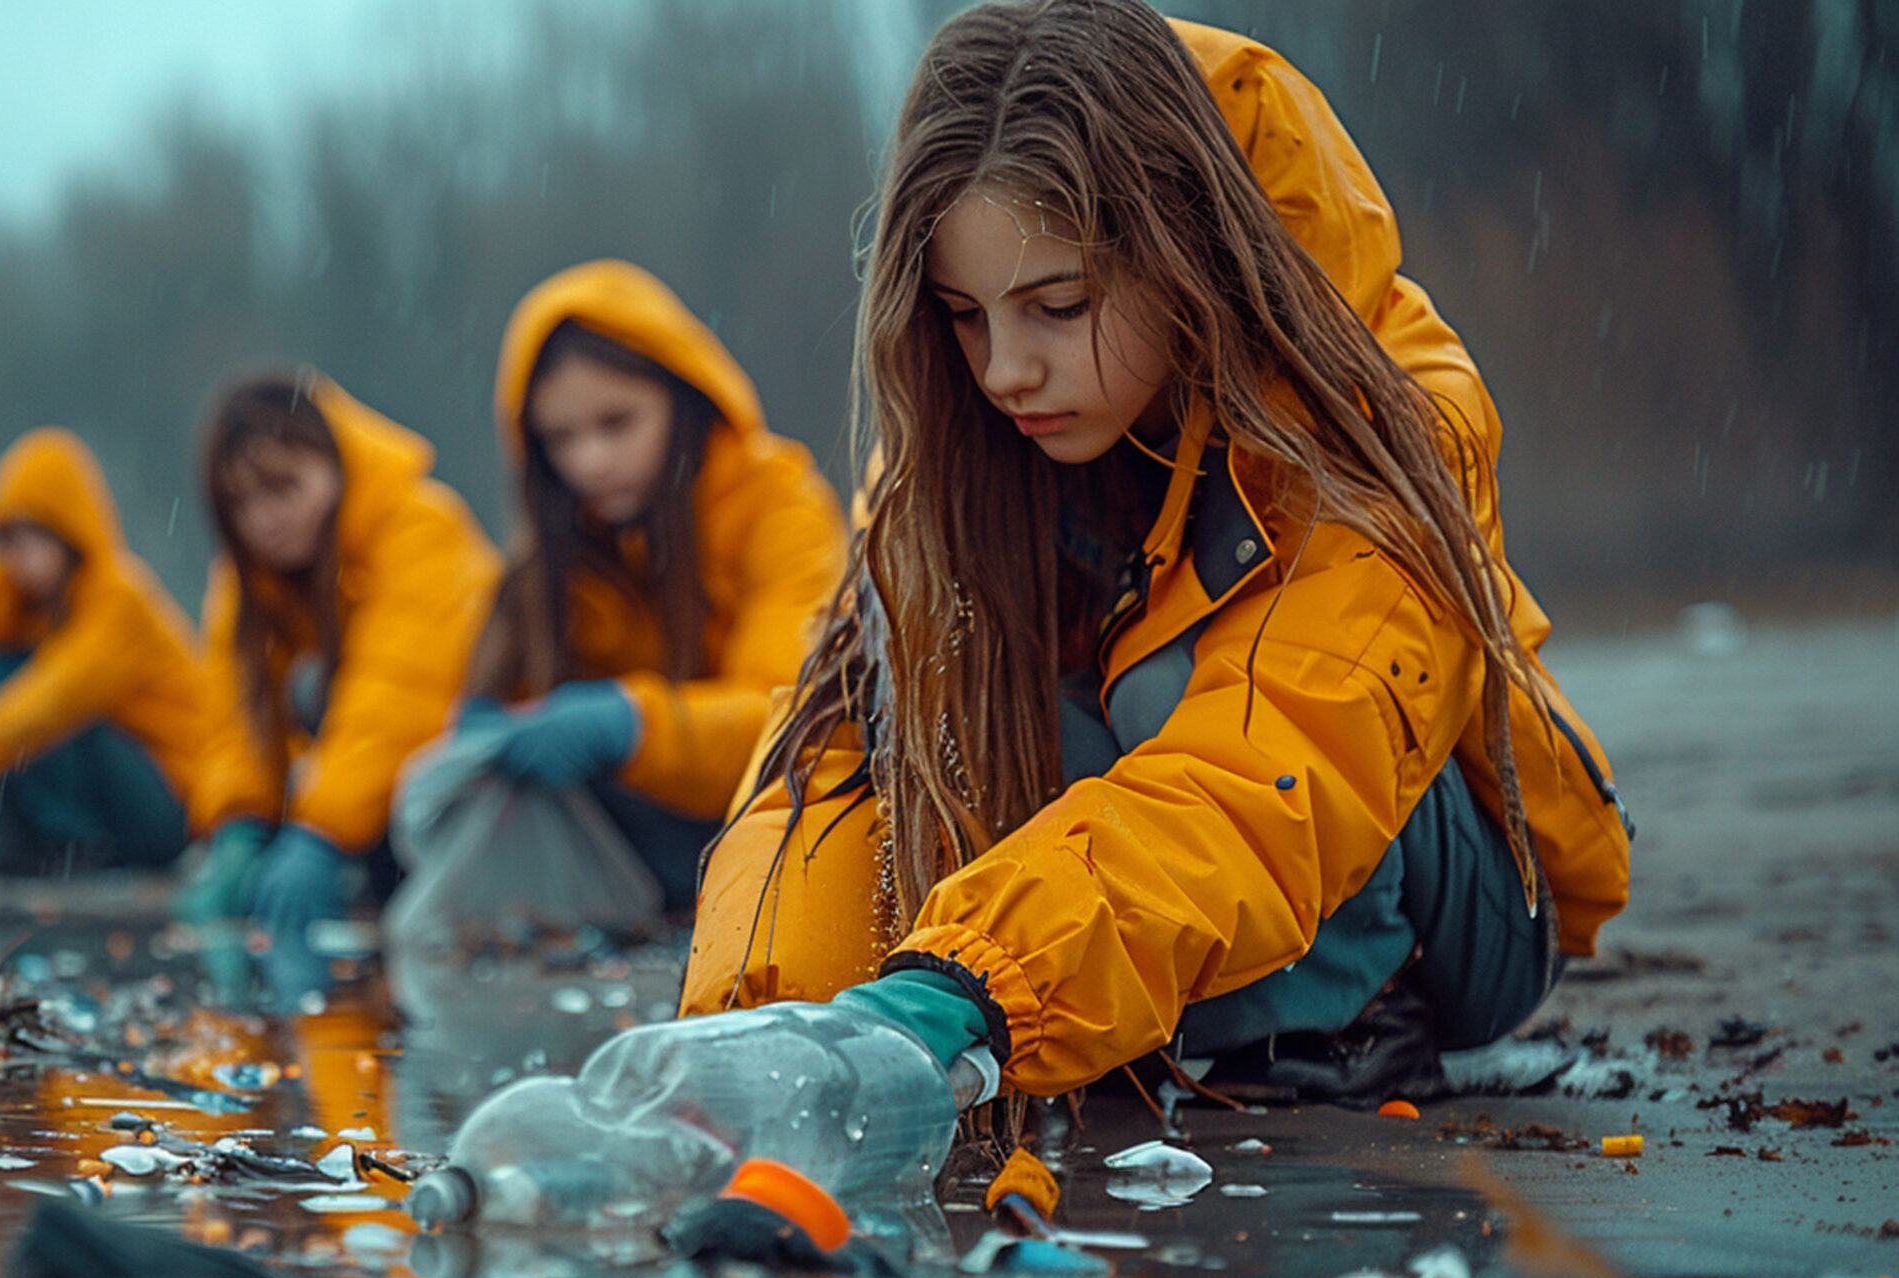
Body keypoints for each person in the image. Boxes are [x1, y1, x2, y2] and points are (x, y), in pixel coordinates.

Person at [681, 0, 1633, 1107]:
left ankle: (1338, 1016)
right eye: (965, 315)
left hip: (1465, 908)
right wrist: (763, 1030)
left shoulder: (1380, 416)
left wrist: (981, 974)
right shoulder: (952, 458)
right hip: (1176, 879)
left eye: (1056, 305)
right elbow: (835, 758)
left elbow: (1281, 754)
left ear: (1188, 256)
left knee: (1160, 686)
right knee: (925, 682)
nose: (1003, 371)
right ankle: (1152, 1006)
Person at [422, 260, 850, 911]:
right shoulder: (559, 549)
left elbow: (795, 723)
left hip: (771, 838)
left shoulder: (782, 507)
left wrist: (630, 724)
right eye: (560, 438)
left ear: (682, 399)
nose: (590, 459)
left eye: (617, 422)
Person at [173, 372, 500, 995]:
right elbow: (231, 714)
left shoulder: (423, 526)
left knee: (317, 692)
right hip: (387, 792)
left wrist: (319, 837)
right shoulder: (250, 583)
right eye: (241, 503)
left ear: (338, 464)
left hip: (474, 780)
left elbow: (399, 697)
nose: (265, 518)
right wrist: (237, 822)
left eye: (283, 487)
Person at [0, 426, 209, 874]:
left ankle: (79, 847)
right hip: (129, 782)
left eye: (30, 542)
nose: (16, 561)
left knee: (41, 713)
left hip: (178, 796)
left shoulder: (119, 596)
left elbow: (59, 693)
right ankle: (39, 845)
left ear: (68, 534)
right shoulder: (43, 605)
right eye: (7, 544)